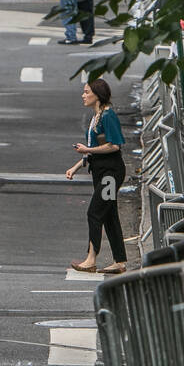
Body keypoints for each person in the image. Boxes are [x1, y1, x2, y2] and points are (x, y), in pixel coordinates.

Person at [65, 78, 127, 274]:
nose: (83, 95)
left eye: (86, 92)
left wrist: (87, 150)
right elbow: (93, 150)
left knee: (95, 212)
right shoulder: (96, 117)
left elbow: (114, 145)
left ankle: (91, 259)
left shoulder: (108, 116)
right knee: (109, 214)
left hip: (111, 173)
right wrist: (77, 166)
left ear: (97, 95)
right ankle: (119, 261)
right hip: (100, 171)